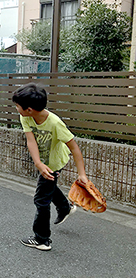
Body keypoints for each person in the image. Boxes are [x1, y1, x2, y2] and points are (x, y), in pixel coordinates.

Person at [12, 83, 88, 251]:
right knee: (49, 186)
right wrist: (38, 163)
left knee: (41, 199)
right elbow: (30, 140)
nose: (16, 108)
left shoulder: (55, 123)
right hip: (44, 163)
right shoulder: (25, 117)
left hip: (55, 162)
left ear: (29, 109)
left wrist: (82, 174)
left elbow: (74, 147)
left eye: (17, 106)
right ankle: (64, 207)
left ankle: (42, 239)